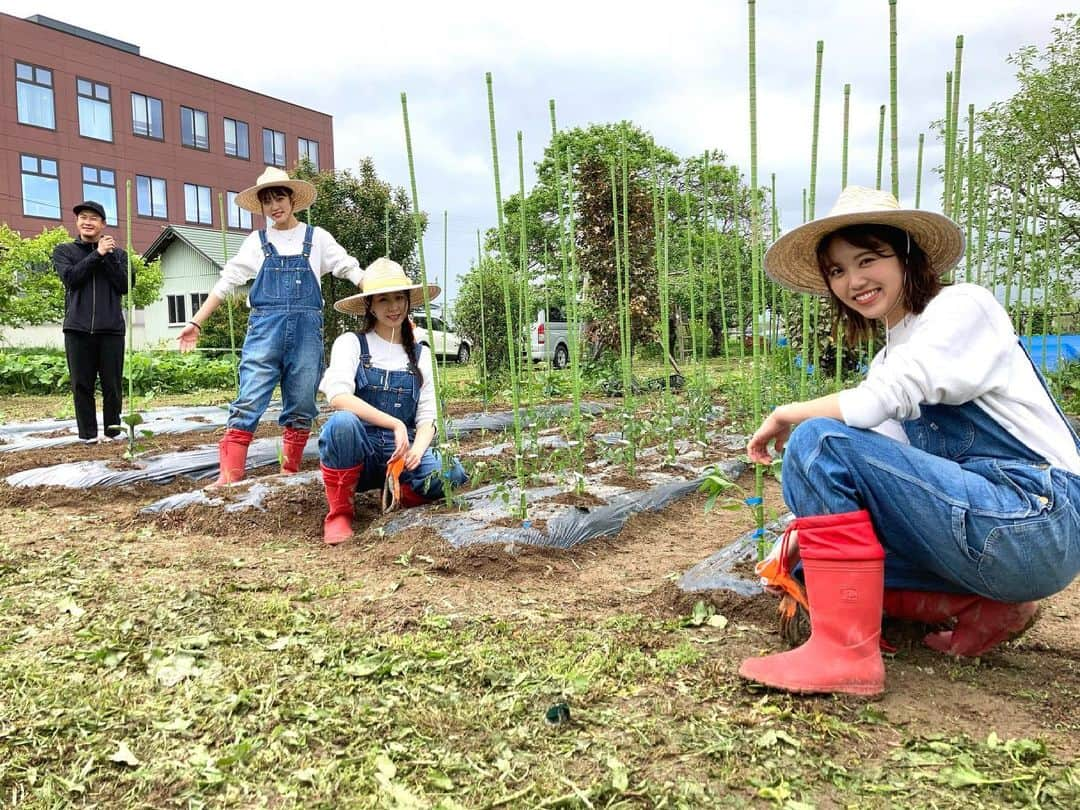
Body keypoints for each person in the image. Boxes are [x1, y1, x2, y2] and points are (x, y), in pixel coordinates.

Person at [740, 186, 1080, 696]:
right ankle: (987, 607)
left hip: (1035, 517)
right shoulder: (887, 357)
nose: (853, 281)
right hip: (980, 526)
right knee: (807, 565)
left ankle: (845, 656)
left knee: (818, 441)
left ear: (907, 256)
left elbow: (878, 402)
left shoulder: (963, 307)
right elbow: (884, 476)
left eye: (867, 259)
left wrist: (788, 413)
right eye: (836, 271)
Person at [178, 167, 364, 484]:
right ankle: (230, 477)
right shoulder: (256, 242)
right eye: (267, 201)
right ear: (262, 207)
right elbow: (227, 282)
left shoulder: (316, 238)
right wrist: (196, 321)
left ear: (292, 200)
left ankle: (288, 473)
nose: (274, 206)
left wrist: (383, 294)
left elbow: (349, 268)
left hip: (306, 333)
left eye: (279, 197)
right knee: (250, 397)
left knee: (303, 402)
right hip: (264, 331)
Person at [317, 258, 468, 545]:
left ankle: (400, 492)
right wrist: (395, 423)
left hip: (403, 451)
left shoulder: (420, 354)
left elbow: (427, 417)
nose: (393, 306)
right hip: (361, 450)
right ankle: (340, 512)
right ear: (370, 305)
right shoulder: (351, 343)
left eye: (399, 298)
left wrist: (418, 449)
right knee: (341, 424)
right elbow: (338, 397)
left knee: (451, 472)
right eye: (383, 299)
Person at [53, 200, 132, 444]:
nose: (87, 222)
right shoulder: (65, 251)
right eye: (83, 218)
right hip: (77, 329)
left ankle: (112, 432)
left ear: (103, 224)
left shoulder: (118, 255)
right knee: (82, 385)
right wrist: (96, 254)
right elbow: (71, 279)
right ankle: (87, 436)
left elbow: (124, 285)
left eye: (93, 218)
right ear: (77, 222)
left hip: (111, 330)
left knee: (112, 385)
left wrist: (106, 255)